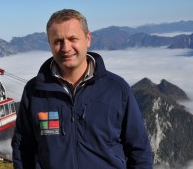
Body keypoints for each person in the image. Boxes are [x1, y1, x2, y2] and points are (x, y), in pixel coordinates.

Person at [11, 9, 153, 169]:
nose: (66, 47)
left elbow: (139, 151)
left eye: (73, 39)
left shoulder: (117, 89)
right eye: (58, 41)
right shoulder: (34, 91)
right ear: (50, 44)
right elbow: (23, 147)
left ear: (88, 39)